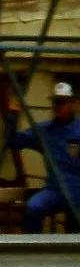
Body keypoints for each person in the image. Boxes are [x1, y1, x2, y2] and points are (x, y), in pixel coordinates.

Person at [7, 82, 80, 233]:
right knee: (34, 207)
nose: (58, 106)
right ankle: (34, 252)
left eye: (62, 102)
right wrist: (13, 114)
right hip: (55, 190)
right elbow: (14, 142)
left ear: (72, 103)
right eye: (55, 102)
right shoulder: (45, 131)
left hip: (78, 191)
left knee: (75, 224)